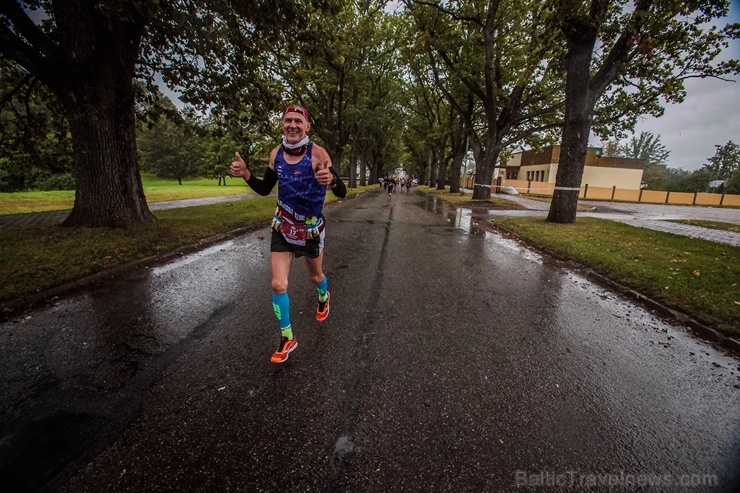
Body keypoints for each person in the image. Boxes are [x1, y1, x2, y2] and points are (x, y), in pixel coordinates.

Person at [230, 104, 346, 363]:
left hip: (310, 229)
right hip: (282, 225)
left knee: (315, 276)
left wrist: (334, 181)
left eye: (298, 121)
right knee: (278, 284)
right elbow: (263, 189)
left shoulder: (318, 155)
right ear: (282, 124)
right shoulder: (276, 155)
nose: (292, 125)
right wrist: (246, 173)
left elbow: (341, 193)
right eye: (287, 120)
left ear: (307, 126)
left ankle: (323, 296)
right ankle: (287, 337)